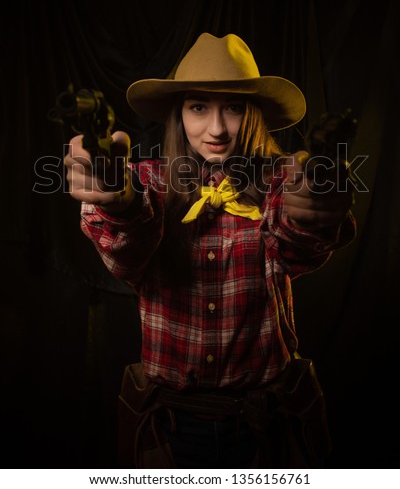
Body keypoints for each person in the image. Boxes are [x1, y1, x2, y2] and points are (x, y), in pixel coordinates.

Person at [64, 32, 356, 469]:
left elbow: (297, 246)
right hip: (168, 429)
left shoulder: (281, 181)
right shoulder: (147, 182)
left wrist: (312, 210)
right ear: (178, 114)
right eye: (198, 107)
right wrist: (121, 204)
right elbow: (126, 255)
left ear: (255, 114)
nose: (216, 129)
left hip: (266, 427)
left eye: (234, 107)